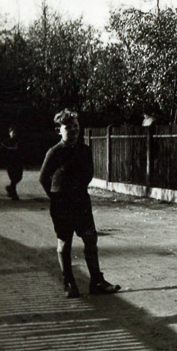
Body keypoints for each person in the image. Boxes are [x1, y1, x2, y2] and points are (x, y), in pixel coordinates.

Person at [39, 110, 120, 298]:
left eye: (76, 126)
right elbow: (44, 178)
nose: (74, 130)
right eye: (68, 127)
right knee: (65, 243)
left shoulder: (84, 150)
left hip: (81, 202)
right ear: (59, 130)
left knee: (90, 239)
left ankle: (96, 282)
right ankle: (69, 283)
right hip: (62, 205)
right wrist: (56, 198)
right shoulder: (54, 152)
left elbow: (88, 173)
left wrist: (78, 190)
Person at [1, 126, 23, 200]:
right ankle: (13, 193)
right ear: (9, 133)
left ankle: (10, 188)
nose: (14, 134)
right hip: (10, 163)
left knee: (19, 177)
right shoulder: (6, 142)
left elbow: (23, 152)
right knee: (13, 177)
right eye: (13, 132)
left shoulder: (19, 142)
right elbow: (2, 152)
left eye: (16, 132)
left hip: (18, 162)